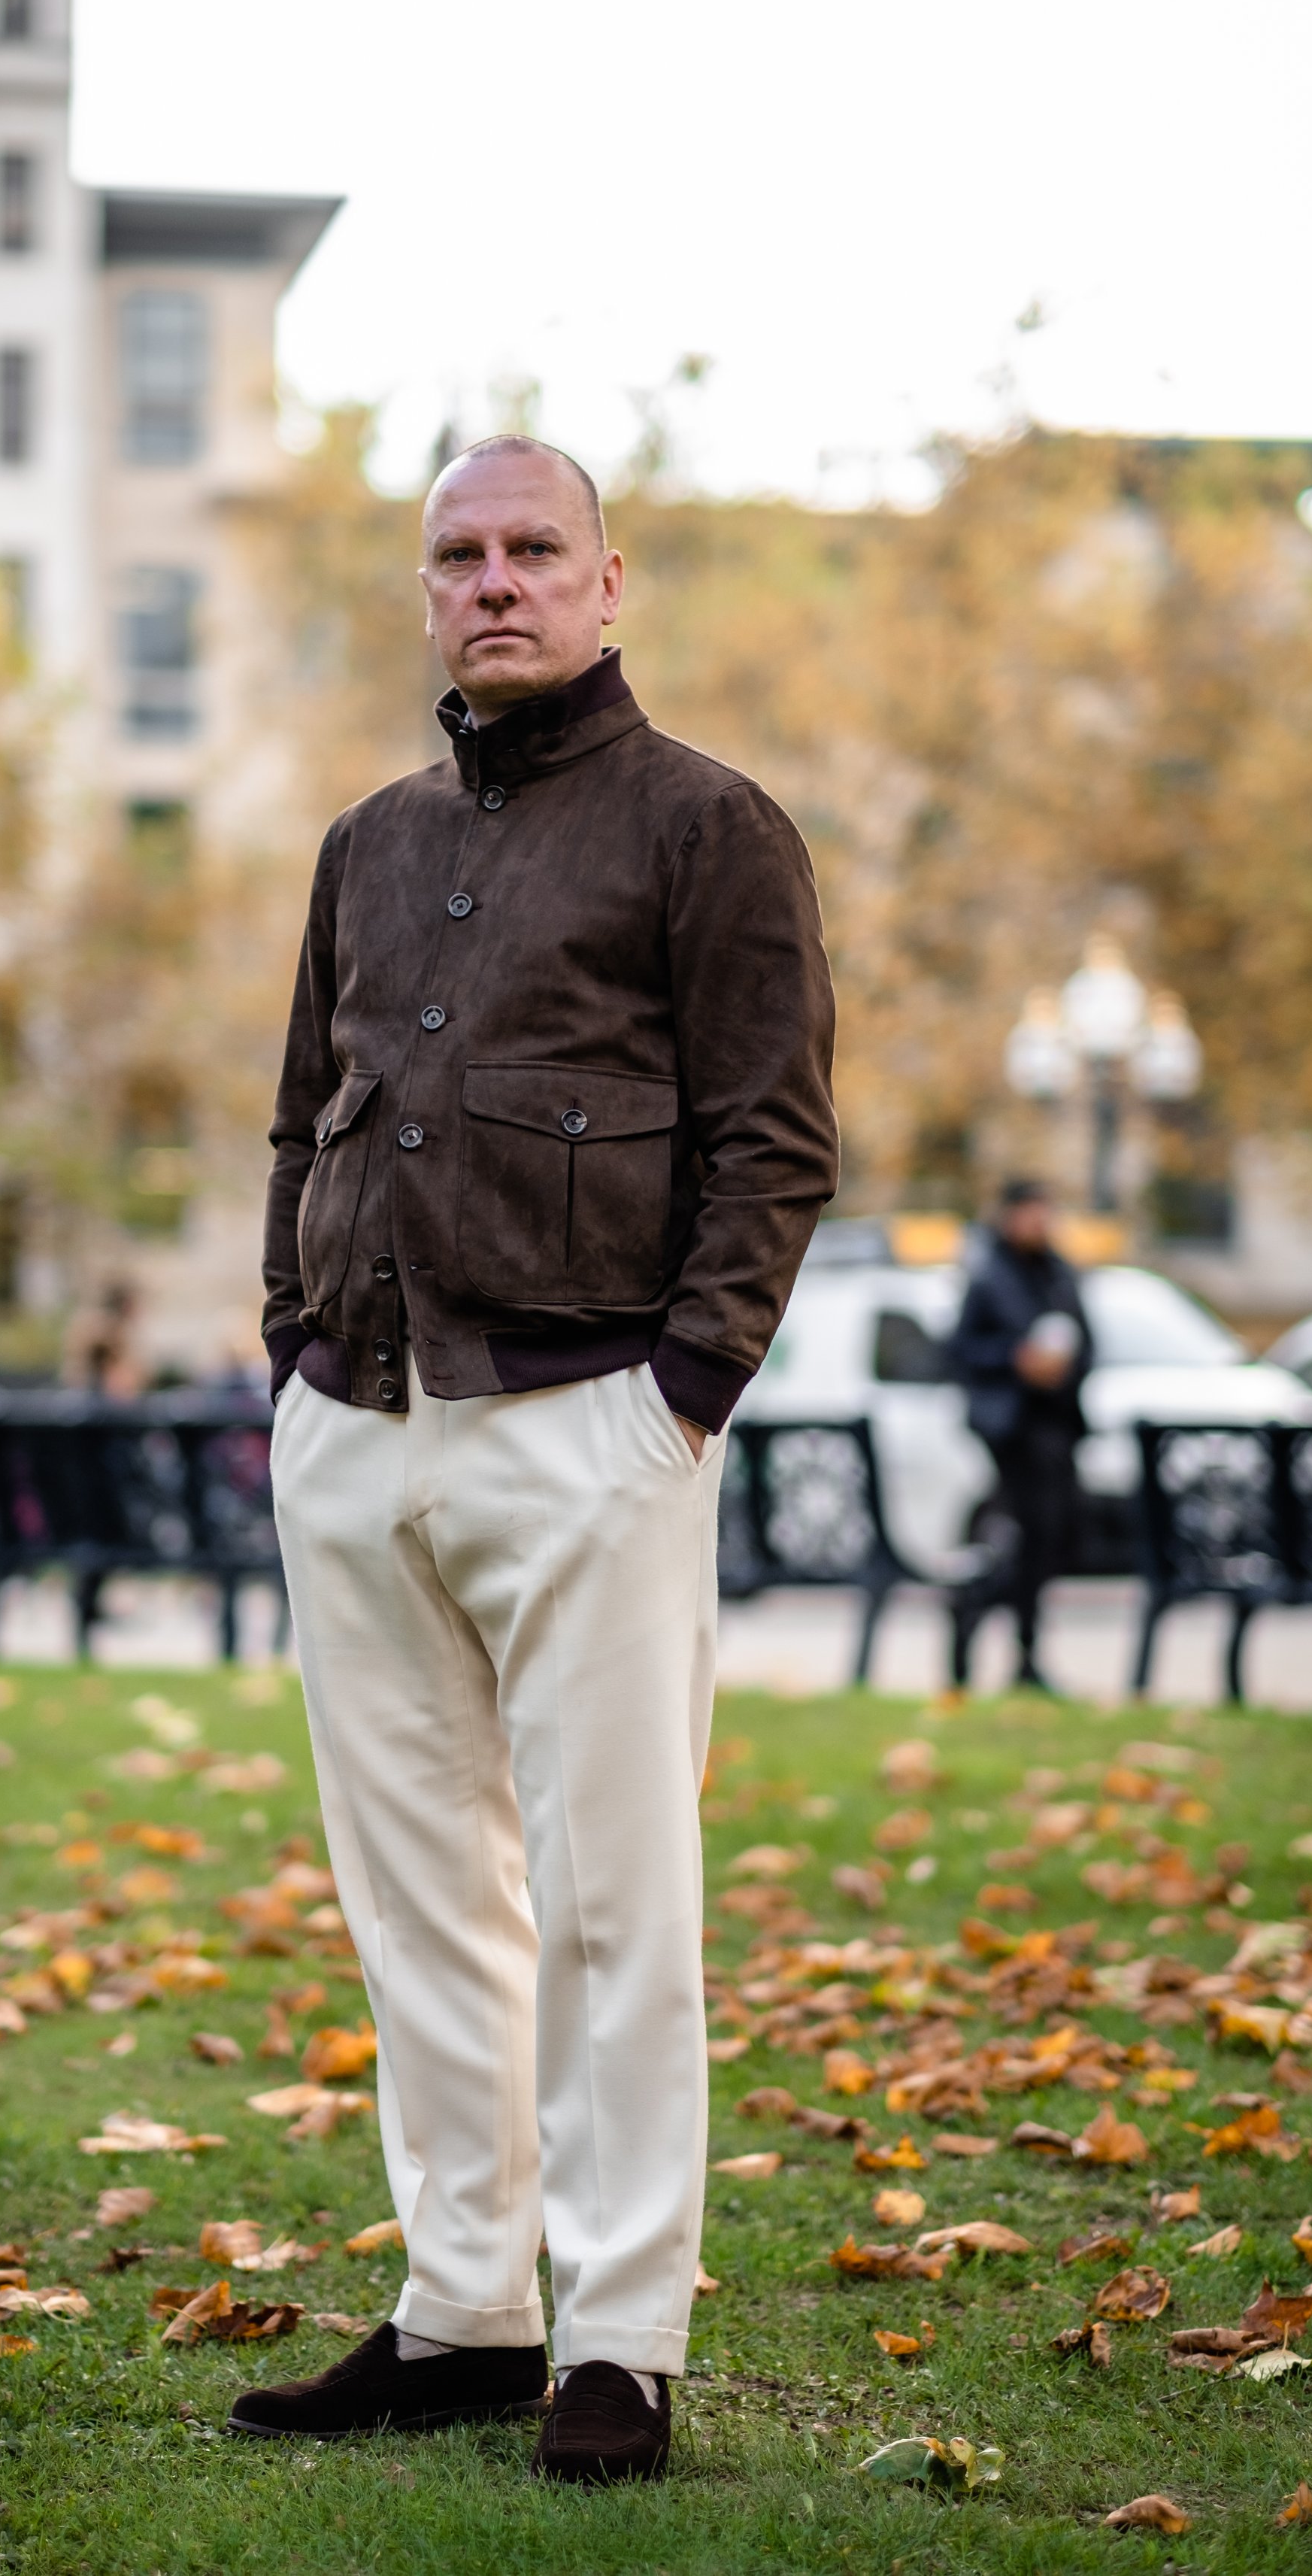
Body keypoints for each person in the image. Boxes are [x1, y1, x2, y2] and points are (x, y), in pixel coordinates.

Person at [238, 435, 838, 2483]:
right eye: (457, 553)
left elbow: (771, 1140)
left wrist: (678, 1391)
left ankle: (623, 2333)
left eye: (532, 550)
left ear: (607, 582)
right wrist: (288, 1357)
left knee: (608, 1896)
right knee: (416, 1897)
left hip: (589, 1423)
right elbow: (294, 1117)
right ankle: (468, 2305)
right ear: (423, 591)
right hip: (355, 1428)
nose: (493, 580)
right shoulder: (364, 840)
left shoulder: (709, 827)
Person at [947, 1178, 1092, 1690]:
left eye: (1045, 1211)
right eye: (1030, 1211)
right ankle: (976, 1612)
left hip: (1059, 1425)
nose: (1039, 1222)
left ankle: (1019, 1646)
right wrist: (1016, 1361)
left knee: (1056, 1540)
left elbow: (1088, 1344)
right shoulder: (988, 1276)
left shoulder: (1060, 1274)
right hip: (1011, 1428)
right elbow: (960, 1351)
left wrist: (1061, 1367)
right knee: (1027, 1536)